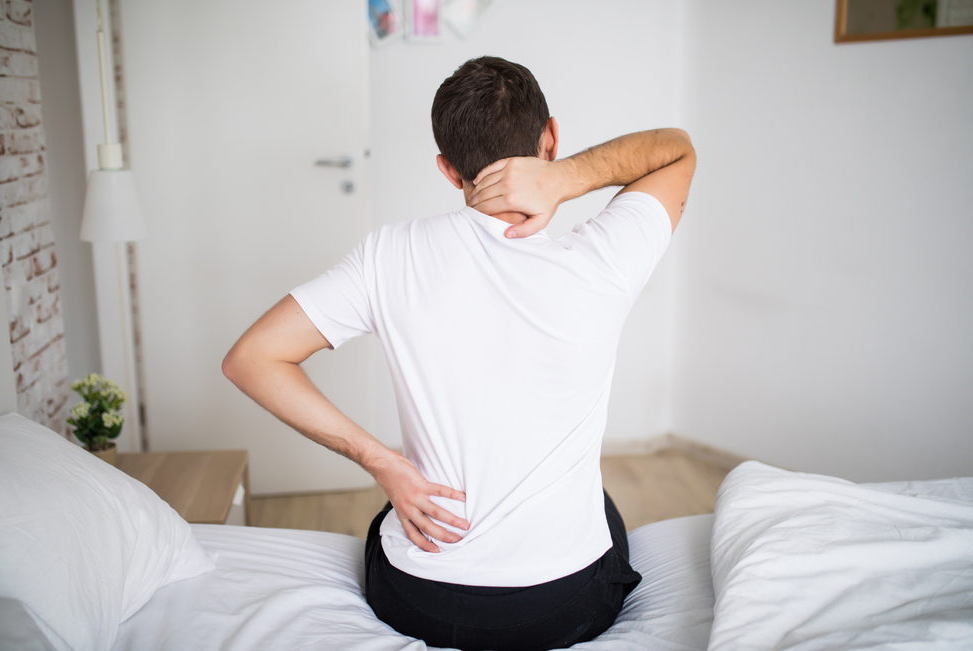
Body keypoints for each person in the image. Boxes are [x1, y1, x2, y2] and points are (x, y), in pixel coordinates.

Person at [222, 56, 695, 651]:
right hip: (562, 603)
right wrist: (567, 177)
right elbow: (677, 150)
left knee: (384, 523)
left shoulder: (389, 255)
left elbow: (251, 358)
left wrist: (383, 463)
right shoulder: (603, 260)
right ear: (550, 137)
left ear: (448, 170)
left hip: (419, 597)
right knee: (599, 507)